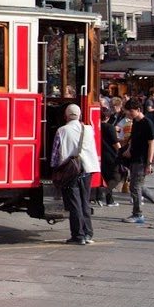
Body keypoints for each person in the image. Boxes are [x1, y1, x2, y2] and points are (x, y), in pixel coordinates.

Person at [51, 104, 100, 244]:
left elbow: (55, 155)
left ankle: (78, 236)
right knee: (85, 202)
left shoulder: (62, 130)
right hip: (87, 169)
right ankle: (88, 233)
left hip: (71, 171)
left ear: (66, 116)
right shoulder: (89, 129)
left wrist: (55, 170)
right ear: (80, 115)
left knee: (74, 204)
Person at [120, 98, 154, 223]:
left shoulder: (148, 123)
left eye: (131, 111)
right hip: (134, 156)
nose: (129, 114)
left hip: (142, 159)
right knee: (137, 186)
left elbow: (151, 143)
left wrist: (149, 163)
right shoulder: (135, 122)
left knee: (135, 187)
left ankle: (138, 214)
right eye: (128, 111)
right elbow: (133, 138)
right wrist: (128, 149)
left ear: (138, 109)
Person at [96, 106, 122, 207]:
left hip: (100, 154)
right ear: (107, 117)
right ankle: (103, 193)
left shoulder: (96, 127)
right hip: (111, 155)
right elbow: (116, 143)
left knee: (106, 177)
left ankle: (109, 200)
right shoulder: (109, 127)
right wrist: (121, 152)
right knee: (116, 177)